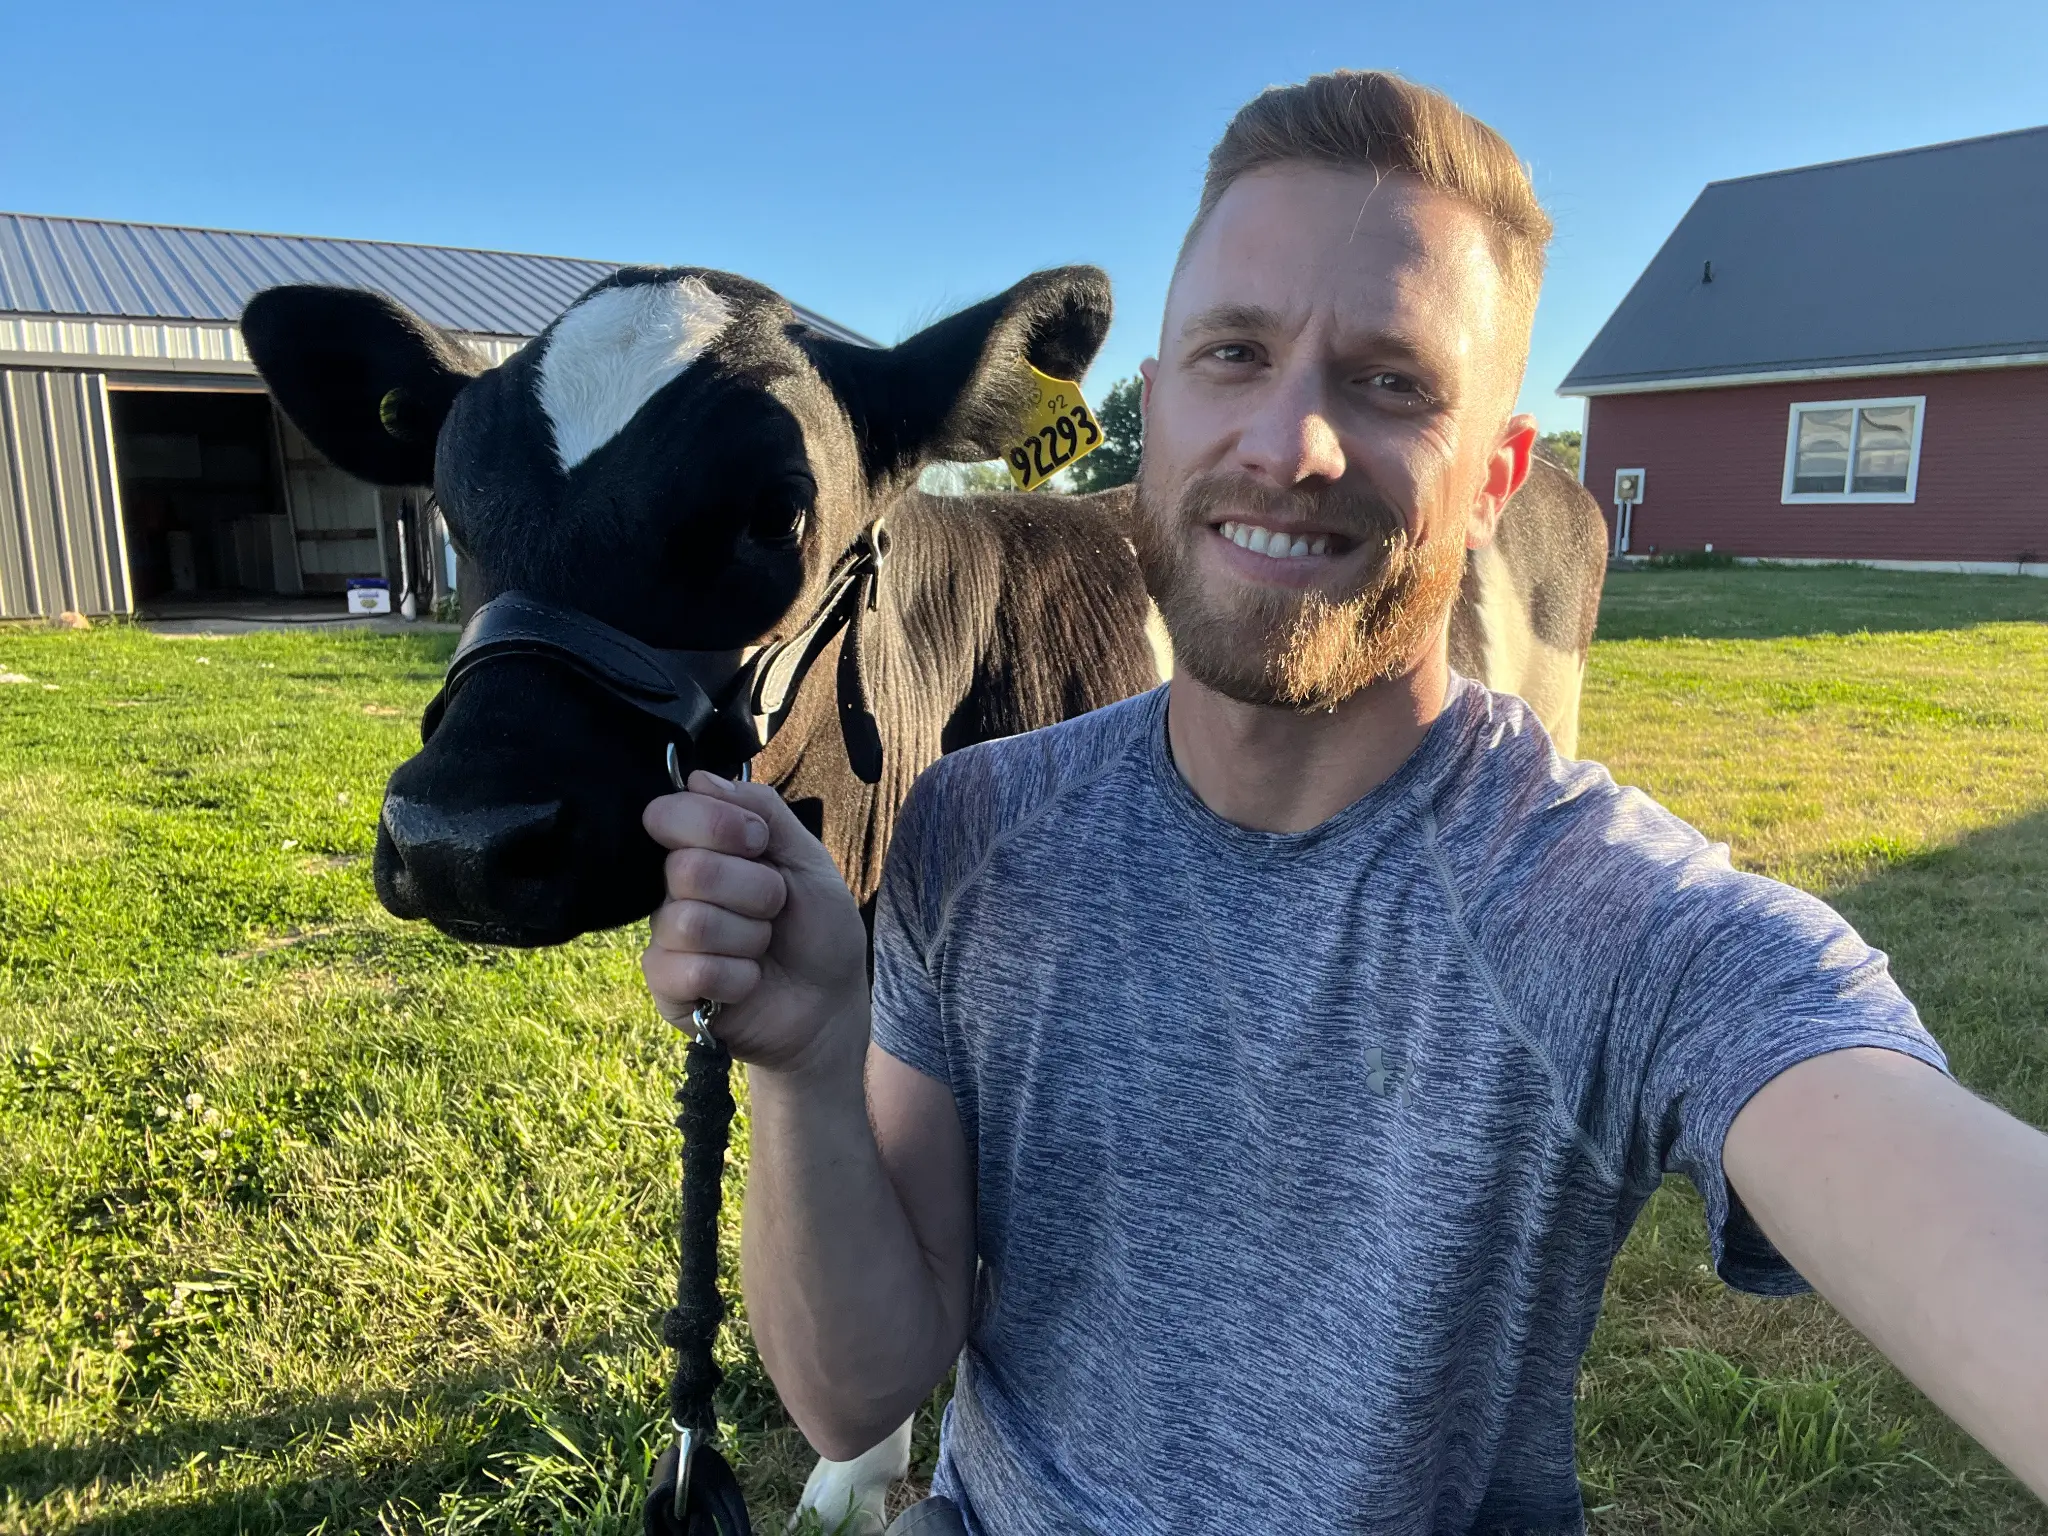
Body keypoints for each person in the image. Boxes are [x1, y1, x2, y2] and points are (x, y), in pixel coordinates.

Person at [639, 71, 2048, 1535]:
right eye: (1235, 354)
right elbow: (855, 1400)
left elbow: (1870, 1120)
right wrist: (805, 1066)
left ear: (1499, 479)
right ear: (1155, 415)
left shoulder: (1615, 921)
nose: (1291, 442)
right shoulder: (974, 830)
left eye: (1391, 382)